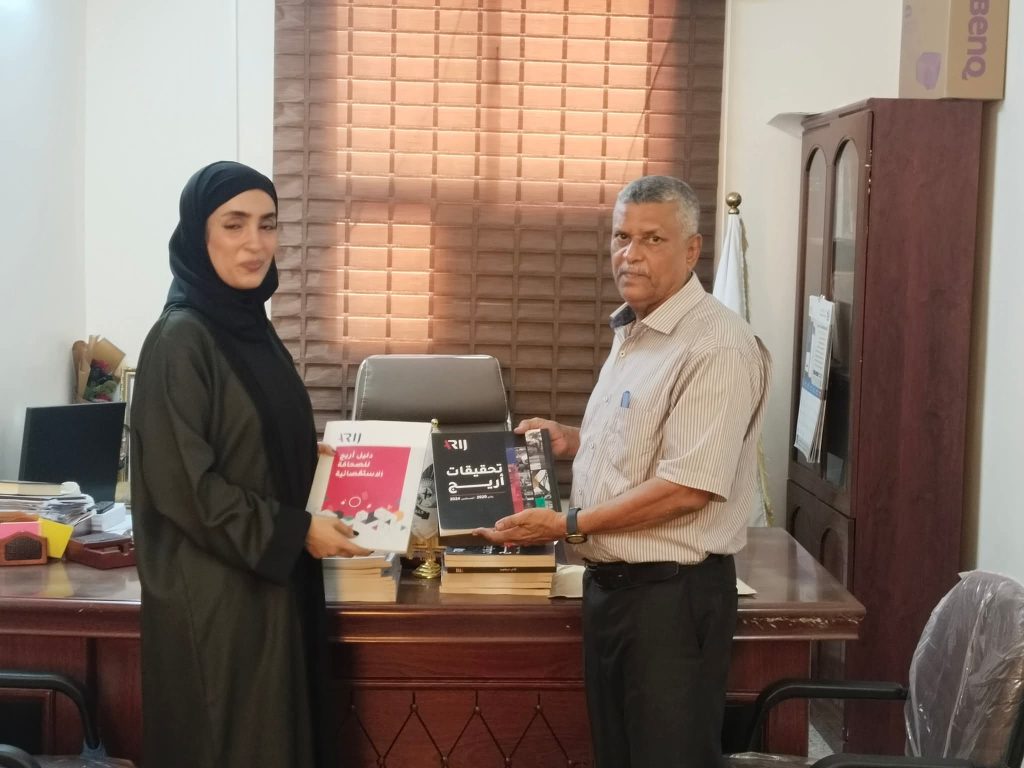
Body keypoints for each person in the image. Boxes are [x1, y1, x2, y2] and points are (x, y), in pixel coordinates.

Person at [474, 175, 772, 767]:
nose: (630, 254)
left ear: (692, 249)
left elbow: (687, 487)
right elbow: (648, 445)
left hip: (670, 601)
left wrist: (568, 524)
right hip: (613, 593)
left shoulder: (715, 346)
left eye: (652, 239)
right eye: (621, 237)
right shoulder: (636, 330)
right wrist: (573, 440)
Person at [130, 161, 371, 768]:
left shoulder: (249, 329)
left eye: (268, 224)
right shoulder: (180, 340)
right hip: (218, 604)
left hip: (266, 586)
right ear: (198, 233)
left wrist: (305, 456)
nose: (255, 243)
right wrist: (298, 531)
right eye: (234, 224)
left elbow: (244, 436)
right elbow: (186, 488)